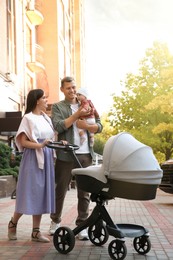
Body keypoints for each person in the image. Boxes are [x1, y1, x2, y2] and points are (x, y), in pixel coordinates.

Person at [49, 76, 103, 240]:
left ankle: (82, 225)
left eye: (74, 87)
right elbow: (58, 126)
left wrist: (87, 126)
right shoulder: (58, 107)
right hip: (66, 154)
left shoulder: (86, 102)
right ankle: (55, 221)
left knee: (84, 192)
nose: (72, 91)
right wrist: (77, 114)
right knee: (60, 189)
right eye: (68, 88)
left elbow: (100, 125)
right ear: (62, 90)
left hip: (86, 153)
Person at [8, 89, 56, 243]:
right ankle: (13, 223)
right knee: (28, 193)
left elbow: (50, 138)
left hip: (46, 157)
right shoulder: (27, 118)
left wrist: (58, 143)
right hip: (33, 159)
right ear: (37, 100)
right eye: (44, 98)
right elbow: (22, 142)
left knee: (41, 195)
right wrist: (40, 145)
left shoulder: (46, 118)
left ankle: (36, 232)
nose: (46, 101)